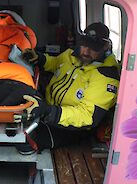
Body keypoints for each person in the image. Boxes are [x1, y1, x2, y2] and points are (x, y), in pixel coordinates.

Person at [18, 22, 120, 150]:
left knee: (24, 139)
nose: (86, 52)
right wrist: (40, 59)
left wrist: (49, 112)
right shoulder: (72, 54)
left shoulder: (106, 76)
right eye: (84, 45)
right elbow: (56, 63)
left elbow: (87, 116)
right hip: (50, 110)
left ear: (105, 46)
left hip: (72, 127)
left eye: (94, 48)